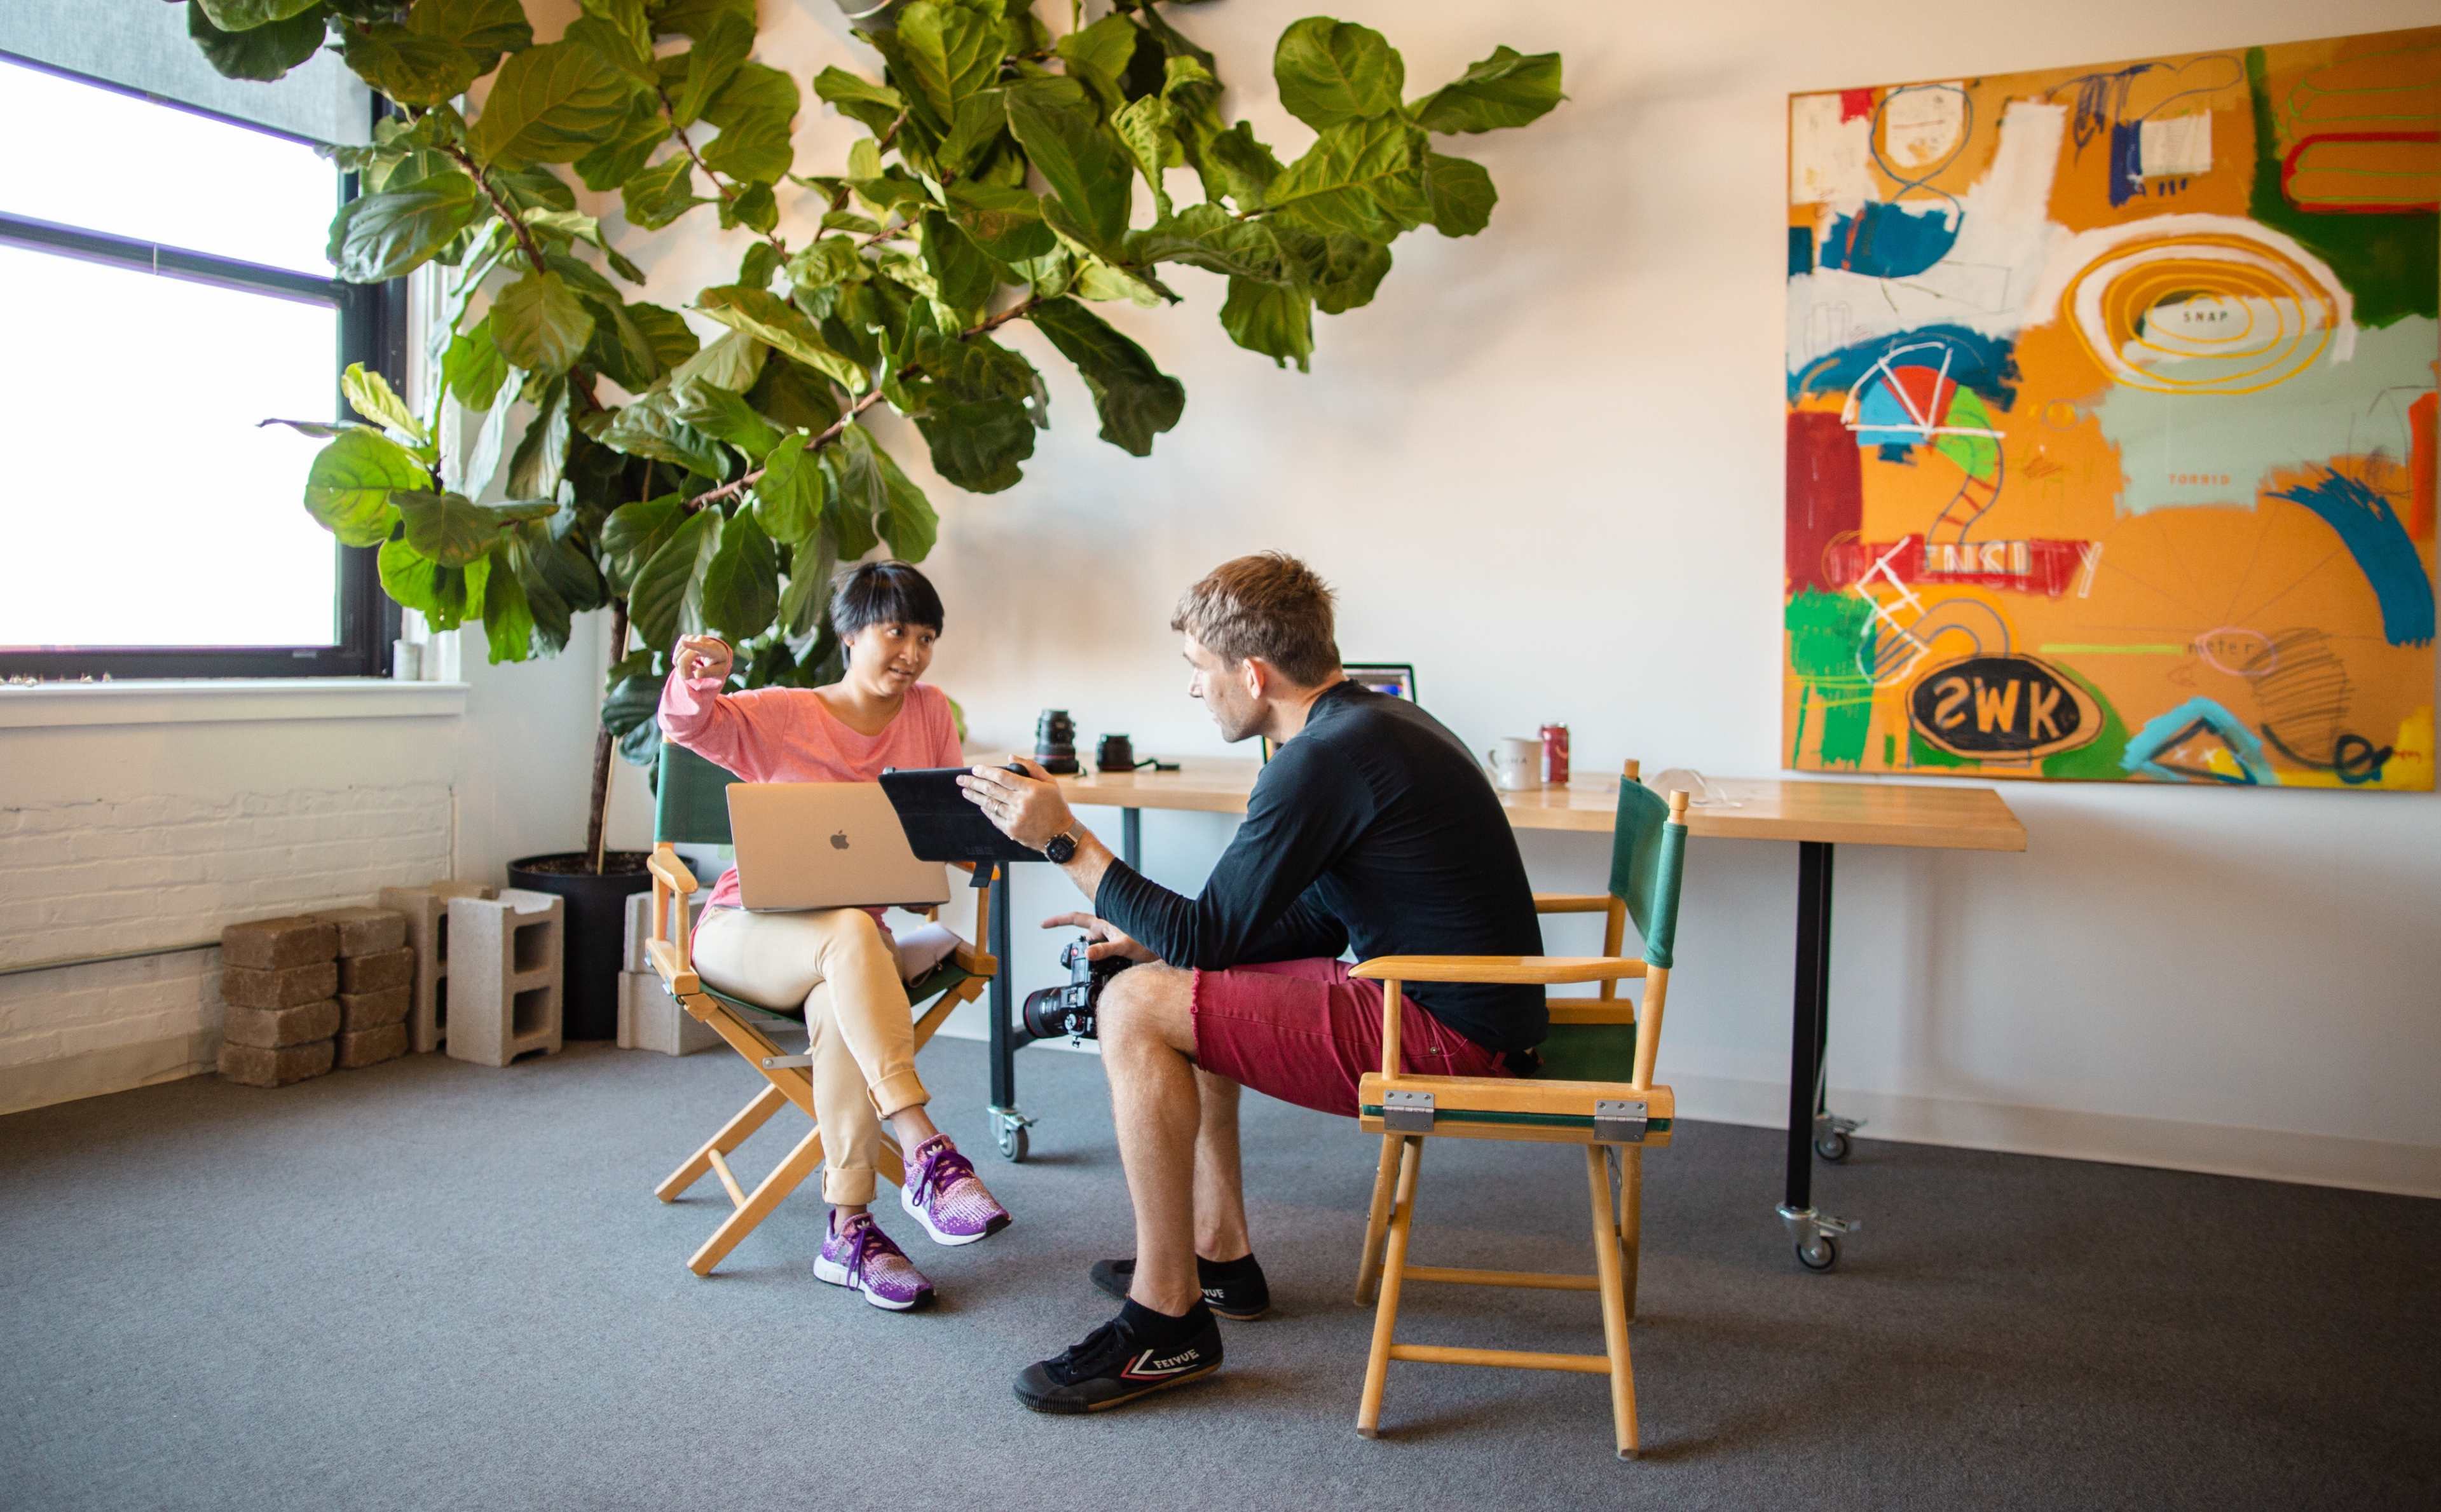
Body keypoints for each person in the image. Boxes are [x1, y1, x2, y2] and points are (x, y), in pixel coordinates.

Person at [959, 552, 1545, 1412]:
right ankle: (1218, 1252)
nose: (1197, 691)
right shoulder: (1371, 724)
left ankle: (1166, 1322)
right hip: (1453, 1001)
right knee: (1175, 973)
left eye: (1200, 669)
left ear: (1254, 672)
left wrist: (1066, 841)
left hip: (1449, 1034)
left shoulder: (1320, 759)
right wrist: (1146, 933)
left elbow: (1210, 933)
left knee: (1134, 1002)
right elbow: (1305, 921)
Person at [659, 560, 1010, 1312]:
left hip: (847, 954)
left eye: (926, 637)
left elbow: (939, 829)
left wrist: (1008, 814)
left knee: (844, 990)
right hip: (744, 930)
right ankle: (924, 1147)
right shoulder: (784, 712)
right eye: (896, 632)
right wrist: (701, 675)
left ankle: (847, 1231)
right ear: (851, 633)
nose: (911, 653)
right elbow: (689, 725)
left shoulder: (931, 714)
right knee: (855, 938)